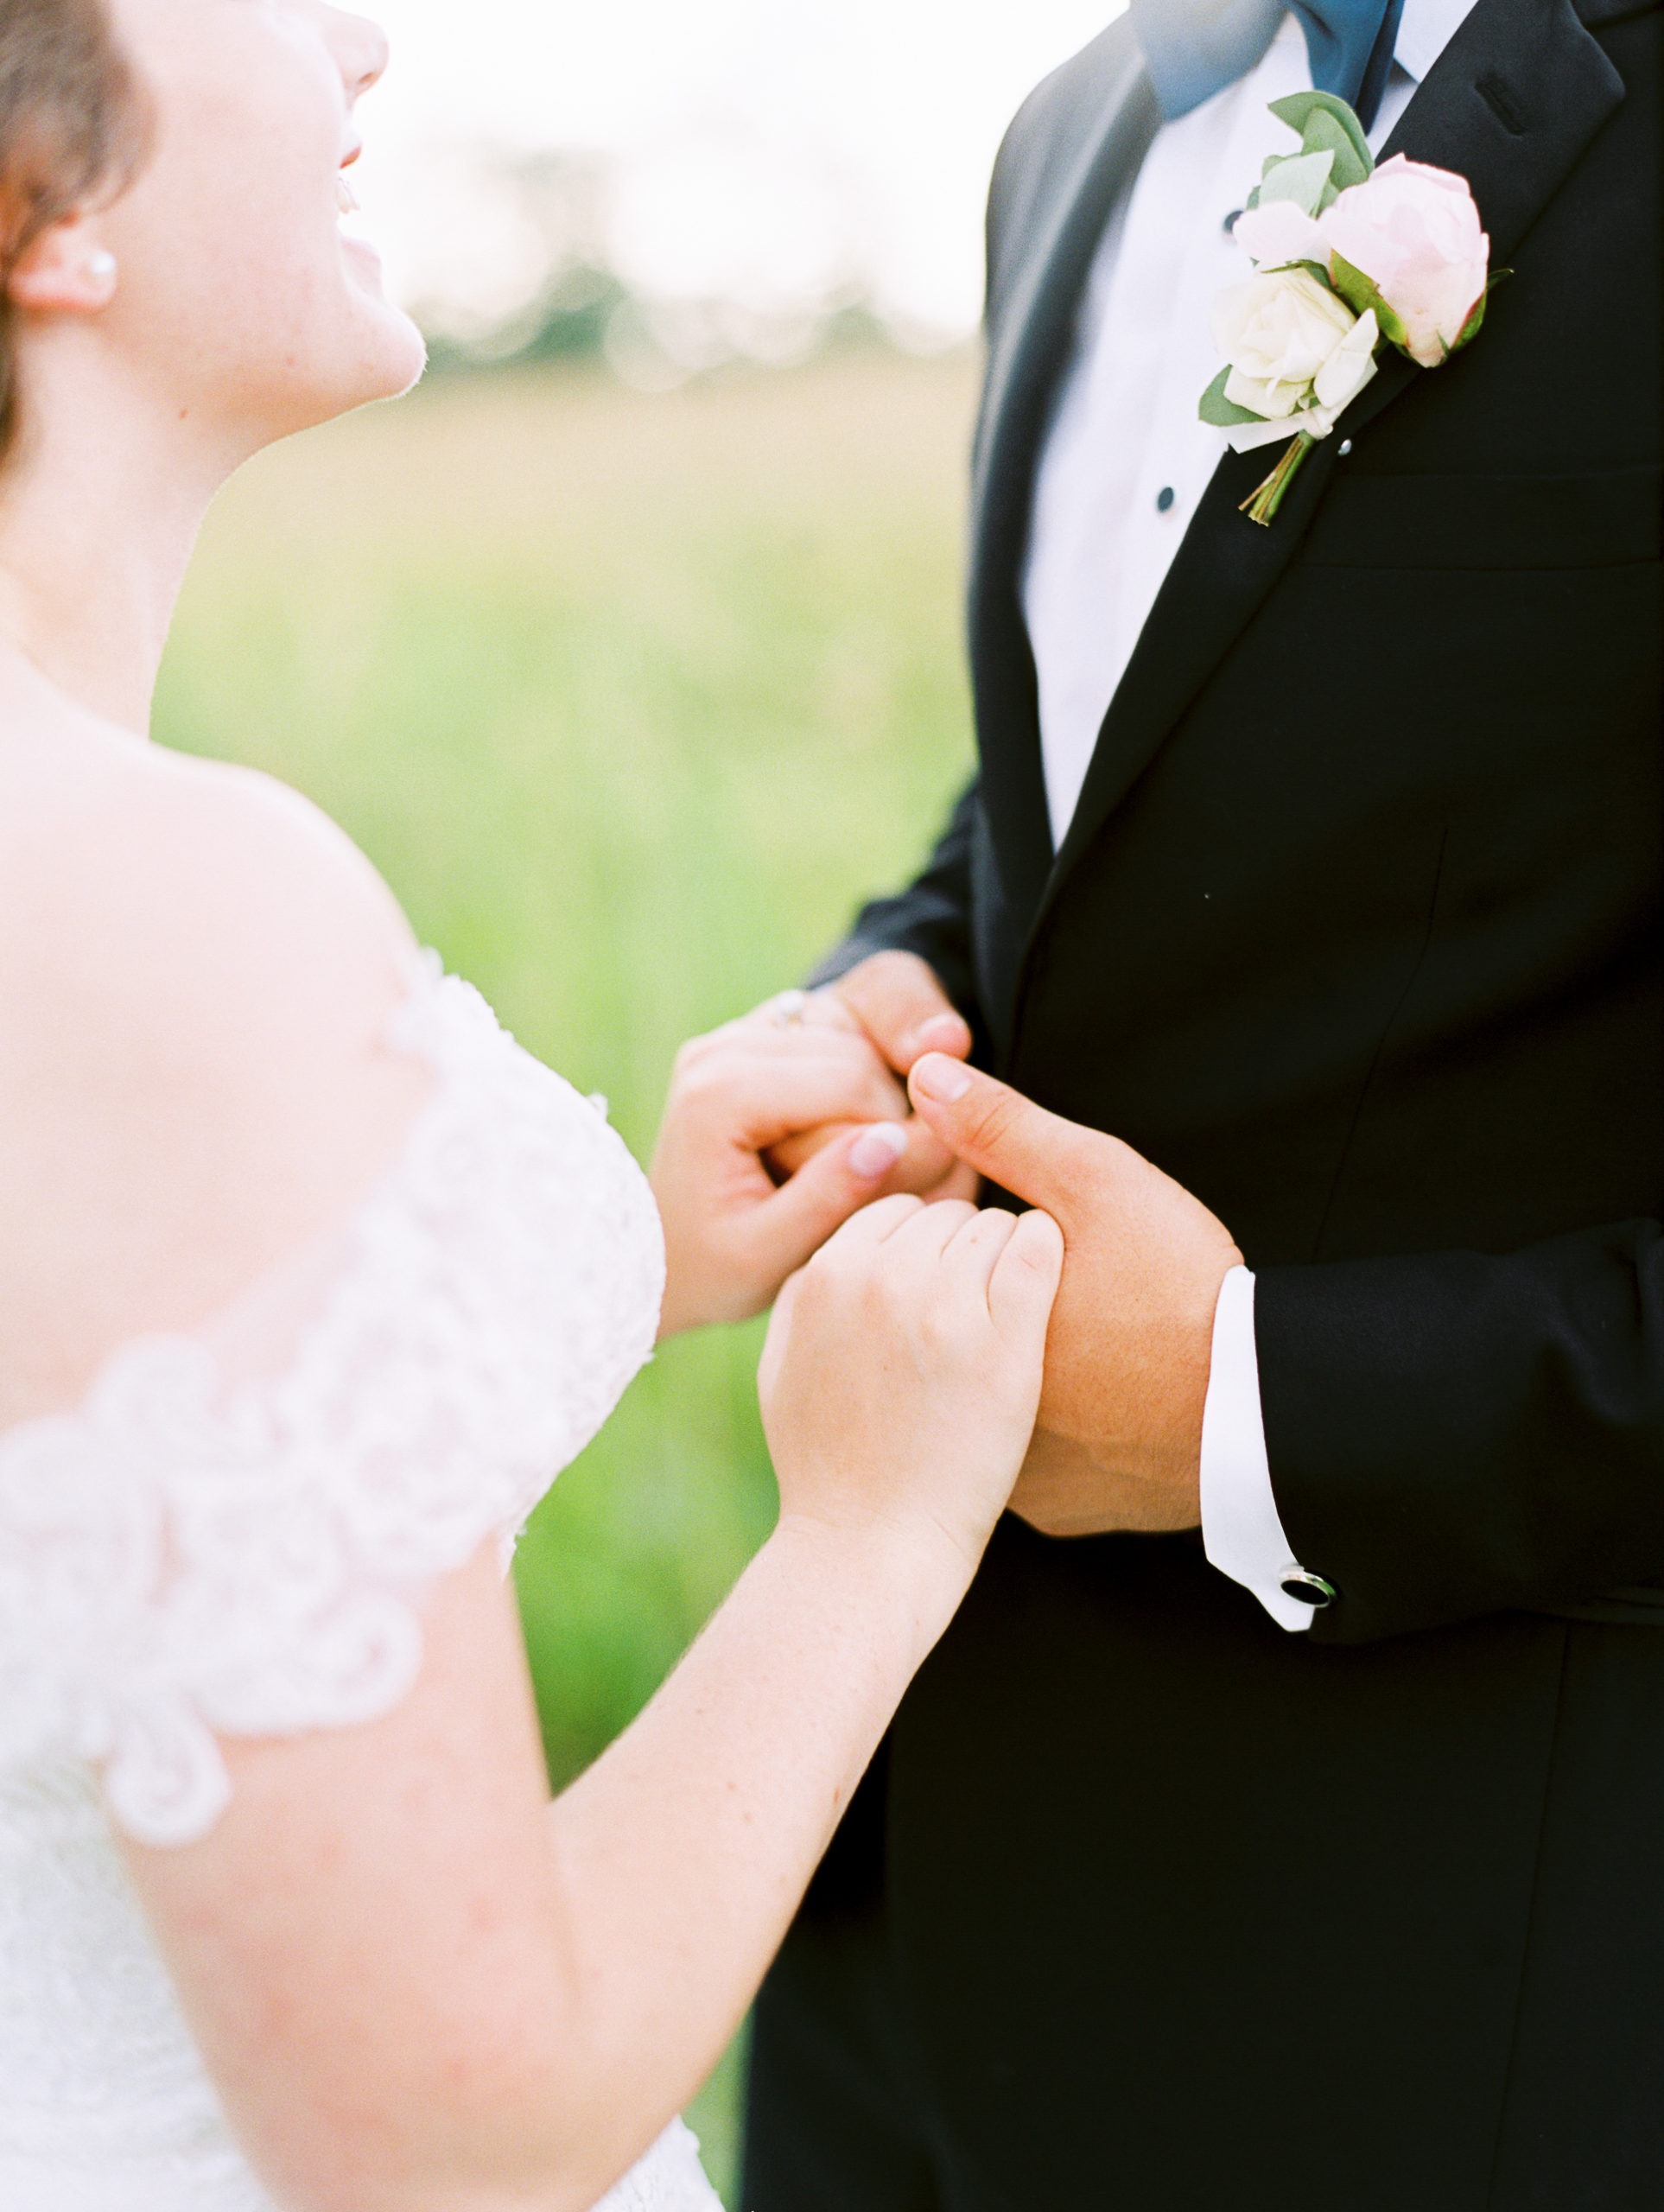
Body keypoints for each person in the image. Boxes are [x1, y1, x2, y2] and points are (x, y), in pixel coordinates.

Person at [0, 3, 1066, 2208]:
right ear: (44, 210)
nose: (362, 45)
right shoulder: (174, 911)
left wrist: (584, 1265)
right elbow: (443, 2139)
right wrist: (871, 1529)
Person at [727, 0, 1664, 2203]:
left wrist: (1260, 1406)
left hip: (1450, 1996)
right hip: (897, 1927)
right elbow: (1094, 791)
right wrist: (889, 980)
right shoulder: (1070, 133)